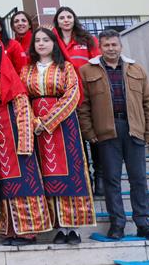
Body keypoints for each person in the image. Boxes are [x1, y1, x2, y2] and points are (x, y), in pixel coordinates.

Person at [78, 30, 149, 241]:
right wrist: (89, 132)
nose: (111, 49)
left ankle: (143, 222)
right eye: (106, 45)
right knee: (111, 180)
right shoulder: (87, 70)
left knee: (139, 179)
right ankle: (117, 223)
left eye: (114, 45)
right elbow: (83, 105)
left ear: (120, 46)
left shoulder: (137, 69)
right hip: (106, 132)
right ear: (100, 47)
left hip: (133, 129)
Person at [20, 27, 96, 245]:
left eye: (46, 40)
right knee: (46, 175)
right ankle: (57, 226)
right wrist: (34, 122)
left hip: (63, 128)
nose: (41, 44)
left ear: (54, 42)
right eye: (37, 41)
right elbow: (22, 97)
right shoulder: (26, 70)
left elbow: (72, 95)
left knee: (69, 174)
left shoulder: (67, 67)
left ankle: (72, 227)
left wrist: (48, 121)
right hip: (36, 130)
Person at [0, 38, 51, 246]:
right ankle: (9, 230)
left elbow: (23, 108)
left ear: (0, 53)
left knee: (22, 182)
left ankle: (28, 231)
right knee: (3, 183)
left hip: (12, 133)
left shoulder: (10, 75)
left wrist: (25, 141)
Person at [53, 6, 103, 196]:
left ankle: (99, 178)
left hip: (88, 96)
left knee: (94, 139)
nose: (66, 20)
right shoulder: (54, 42)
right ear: (57, 21)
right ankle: (85, 178)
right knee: (77, 141)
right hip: (66, 97)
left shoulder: (88, 40)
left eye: (69, 17)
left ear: (74, 19)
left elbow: (97, 65)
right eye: (62, 17)